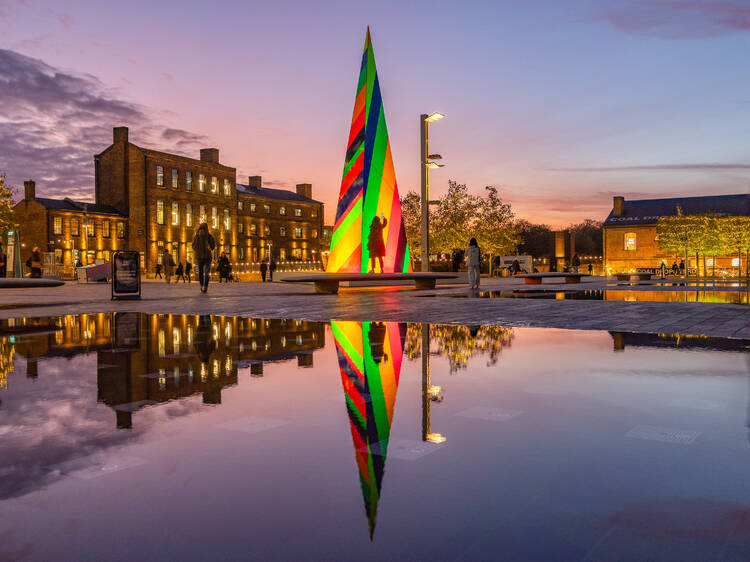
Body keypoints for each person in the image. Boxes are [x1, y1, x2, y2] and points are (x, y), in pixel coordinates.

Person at [192, 222, 216, 294]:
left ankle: (201, 285)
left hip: (199, 257)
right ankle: (205, 286)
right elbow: (213, 246)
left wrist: (197, 250)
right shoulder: (209, 236)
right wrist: (209, 247)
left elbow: (193, 246)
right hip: (207, 257)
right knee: (206, 273)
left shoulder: (196, 236)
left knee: (200, 272)